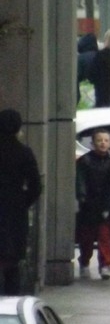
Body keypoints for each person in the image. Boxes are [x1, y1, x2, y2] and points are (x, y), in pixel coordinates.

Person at [0, 109, 41, 295]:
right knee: (11, 266)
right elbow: (36, 186)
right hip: (14, 217)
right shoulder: (24, 153)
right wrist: (21, 202)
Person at [75, 127, 110, 279]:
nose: (103, 143)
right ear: (92, 143)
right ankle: (84, 261)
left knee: (104, 236)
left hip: (105, 205)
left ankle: (105, 264)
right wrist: (82, 197)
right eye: (99, 140)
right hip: (88, 205)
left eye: (106, 140)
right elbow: (80, 181)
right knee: (86, 237)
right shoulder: (85, 161)